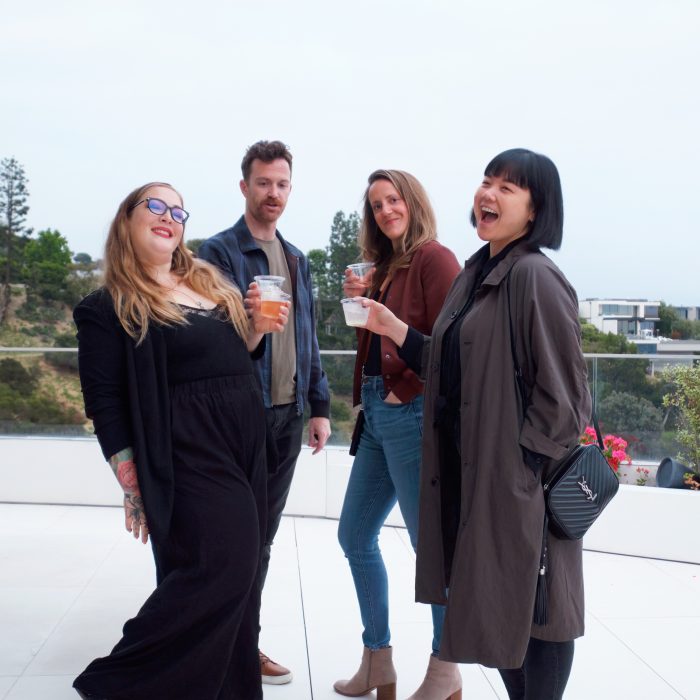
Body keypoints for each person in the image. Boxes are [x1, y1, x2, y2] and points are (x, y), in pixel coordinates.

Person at [358, 149, 591, 700]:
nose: (489, 193)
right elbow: (448, 364)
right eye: (487, 181)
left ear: (535, 210)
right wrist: (393, 329)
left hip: (516, 483)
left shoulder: (535, 276)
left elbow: (567, 401)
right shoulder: (476, 272)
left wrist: (521, 471)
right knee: (499, 609)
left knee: (539, 612)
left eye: (508, 187)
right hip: (474, 475)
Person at [72, 182, 288, 700]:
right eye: (155, 206)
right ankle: (115, 683)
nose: (169, 216)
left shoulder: (206, 280)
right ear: (126, 220)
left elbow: (235, 353)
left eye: (178, 211)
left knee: (241, 572)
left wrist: (258, 329)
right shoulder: (107, 306)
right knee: (222, 564)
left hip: (244, 441)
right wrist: (131, 481)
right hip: (186, 446)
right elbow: (104, 402)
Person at [198, 140, 331, 685]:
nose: (273, 193)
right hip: (239, 417)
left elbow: (308, 338)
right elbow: (209, 338)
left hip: (287, 417)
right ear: (244, 186)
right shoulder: (218, 252)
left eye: (281, 184)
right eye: (263, 183)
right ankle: (215, 647)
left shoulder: (296, 259)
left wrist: (319, 405)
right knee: (232, 541)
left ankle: (242, 646)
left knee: (264, 539)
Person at [333, 170, 461, 700]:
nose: (386, 210)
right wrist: (363, 304)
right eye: (376, 204)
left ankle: (445, 669)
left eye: (393, 199)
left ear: (412, 202)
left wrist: (402, 388)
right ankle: (377, 660)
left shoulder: (435, 258)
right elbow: (379, 342)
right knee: (354, 536)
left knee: (428, 548)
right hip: (377, 417)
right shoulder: (386, 267)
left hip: (410, 415)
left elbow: (453, 348)